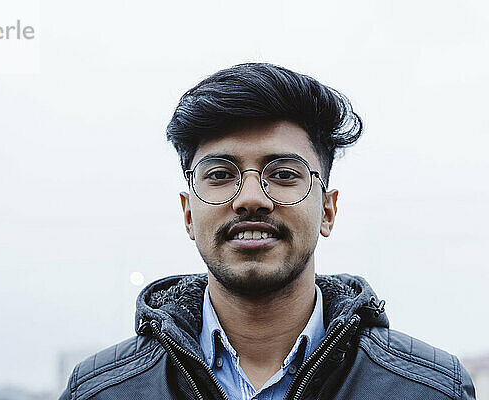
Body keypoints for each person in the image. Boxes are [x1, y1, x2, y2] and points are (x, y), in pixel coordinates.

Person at [59, 63, 476, 400]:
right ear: (188, 214)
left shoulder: (429, 389)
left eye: (283, 173)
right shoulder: (101, 391)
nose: (252, 199)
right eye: (221, 174)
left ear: (328, 210)